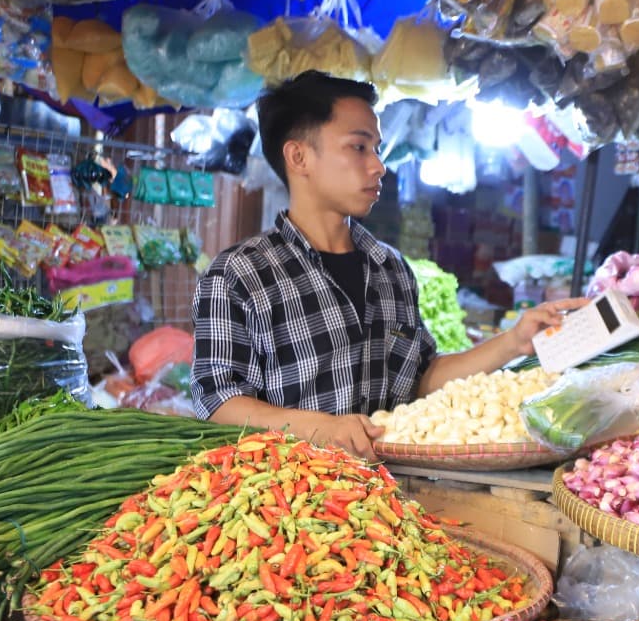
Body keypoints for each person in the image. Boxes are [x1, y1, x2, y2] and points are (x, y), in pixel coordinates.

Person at [192, 72, 582, 456]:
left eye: (377, 149)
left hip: (390, 503)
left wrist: (515, 340)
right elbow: (218, 403)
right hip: (290, 505)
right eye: (359, 148)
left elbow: (421, 378)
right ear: (299, 157)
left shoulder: (390, 268)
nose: (378, 166)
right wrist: (321, 428)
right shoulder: (240, 275)